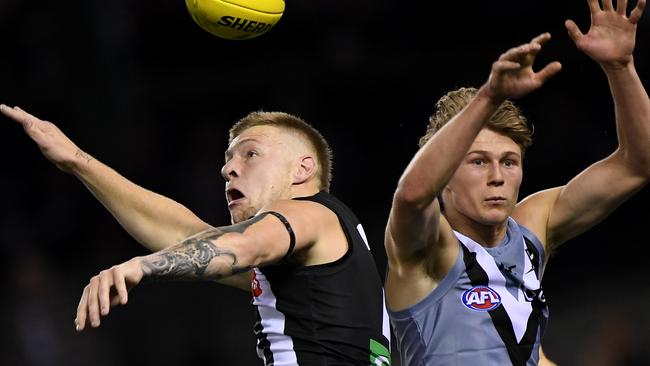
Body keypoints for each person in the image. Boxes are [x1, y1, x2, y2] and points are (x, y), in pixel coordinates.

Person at [1, 107, 392, 365]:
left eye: (249, 154)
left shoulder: (309, 212)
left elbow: (241, 245)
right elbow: (186, 235)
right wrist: (78, 162)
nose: (228, 170)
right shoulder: (318, 255)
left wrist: (142, 266)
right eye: (227, 160)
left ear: (302, 169)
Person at [384, 0, 648, 365]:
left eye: (509, 162)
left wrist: (621, 68)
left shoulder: (533, 226)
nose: (497, 177)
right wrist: (489, 96)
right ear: (445, 177)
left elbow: (636, 164)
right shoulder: (428, 249)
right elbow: (412, 195)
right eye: (478, 162)